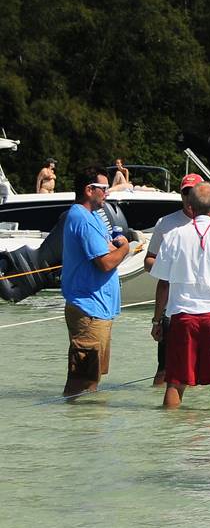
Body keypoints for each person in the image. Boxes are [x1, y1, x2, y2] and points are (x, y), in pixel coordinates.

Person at [150, 183, 210, 409]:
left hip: (183, 318)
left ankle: (170, 427)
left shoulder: (174, 237)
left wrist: (157, 321)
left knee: (175, 382)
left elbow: (163, 284)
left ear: (190, 207)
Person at [59, 166, 132, 398]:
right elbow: (106, 263)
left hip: (99, 309)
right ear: (89, 190)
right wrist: (126, 248)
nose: (107, 193)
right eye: (103, 188)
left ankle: (89, 419)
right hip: (88, 309)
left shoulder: (94, 217)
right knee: (81, 380)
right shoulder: (82, 218)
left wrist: (117, 246)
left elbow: (107, 248)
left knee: (93, 377)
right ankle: (74, 417)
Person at [144, 173, 206, 386]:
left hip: (204, 307)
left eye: (194, 193)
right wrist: (171, 268)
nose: (189, 197)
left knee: (201, 372)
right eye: (186, 192)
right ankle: (158, 405)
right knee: (164, 370)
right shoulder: (166, 223)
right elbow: (148, 260)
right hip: (172, 306)